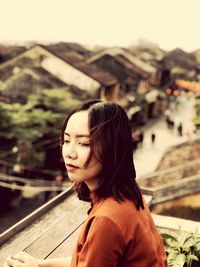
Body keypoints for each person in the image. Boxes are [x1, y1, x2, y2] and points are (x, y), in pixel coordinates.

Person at [4, 100, 167, 267]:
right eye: (66, 141)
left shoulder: (107, 219)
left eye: (84, 143)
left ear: (112, 147)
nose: (69, 153)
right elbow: (89, 260)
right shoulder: (128, 193)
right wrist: (41, 264)